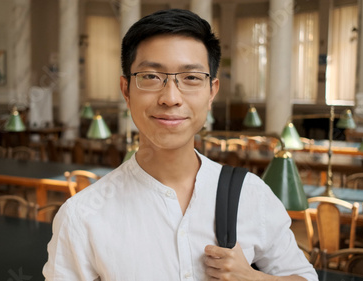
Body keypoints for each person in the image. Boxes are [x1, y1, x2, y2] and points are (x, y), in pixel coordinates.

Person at [43, 9, 318, 281]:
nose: (171, 98)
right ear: (126, 91)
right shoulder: (82, 216)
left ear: (212, 92)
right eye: (150, 76)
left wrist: (254, 279)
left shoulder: (251, 195)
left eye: (191, 78)